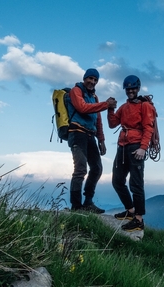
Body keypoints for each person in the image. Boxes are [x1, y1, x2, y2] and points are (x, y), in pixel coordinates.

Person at [107, 75, 155, 231]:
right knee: (117, 181)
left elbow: (149, 127)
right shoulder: (124, 107)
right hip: (122, 146)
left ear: (138, 88)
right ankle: (130, 210)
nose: (131, 91)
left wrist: (143, 148)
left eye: (133, 88)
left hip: (136, 147)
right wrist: (110, 108)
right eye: (128, 89)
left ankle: (139, 219)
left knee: (136, 184)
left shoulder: (145, 106)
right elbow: (112, 123)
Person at [66, 68, 117, 213]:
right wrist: (106, 105)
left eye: (95, 80)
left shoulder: (94, 98)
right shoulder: (76, 91)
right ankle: (76, 207)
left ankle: (88, 202)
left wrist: (101, 140)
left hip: (90, 135)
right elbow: (82, 108)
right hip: (77, 133)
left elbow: (98, 120)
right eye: (90, 79)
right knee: (80, 169)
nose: (92, 82)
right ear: (84, 78)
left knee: (97, 168)